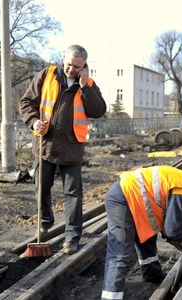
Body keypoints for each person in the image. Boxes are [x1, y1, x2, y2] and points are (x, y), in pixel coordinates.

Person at [18, 44, 107, 255]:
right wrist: (32, 122)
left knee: (73, 195)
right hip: (45, 144)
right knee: (41, 185)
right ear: (63, 60)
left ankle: (72, 237)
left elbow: (98, 110)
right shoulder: (46, 75)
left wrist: (85, 87)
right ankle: (45, 219)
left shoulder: (89, 84)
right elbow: (26, 102)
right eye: (69, 64)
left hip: (72, 147)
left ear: (84, 66)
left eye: (77, 67)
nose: (71, 70)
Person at [101, 165, 182, 300]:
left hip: (134, 198)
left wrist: (172, 234)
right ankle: (110, 297)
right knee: (120, 252)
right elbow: (172, 229)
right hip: (123, 198)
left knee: (147, 236)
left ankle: (152, 274)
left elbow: (166, 221)